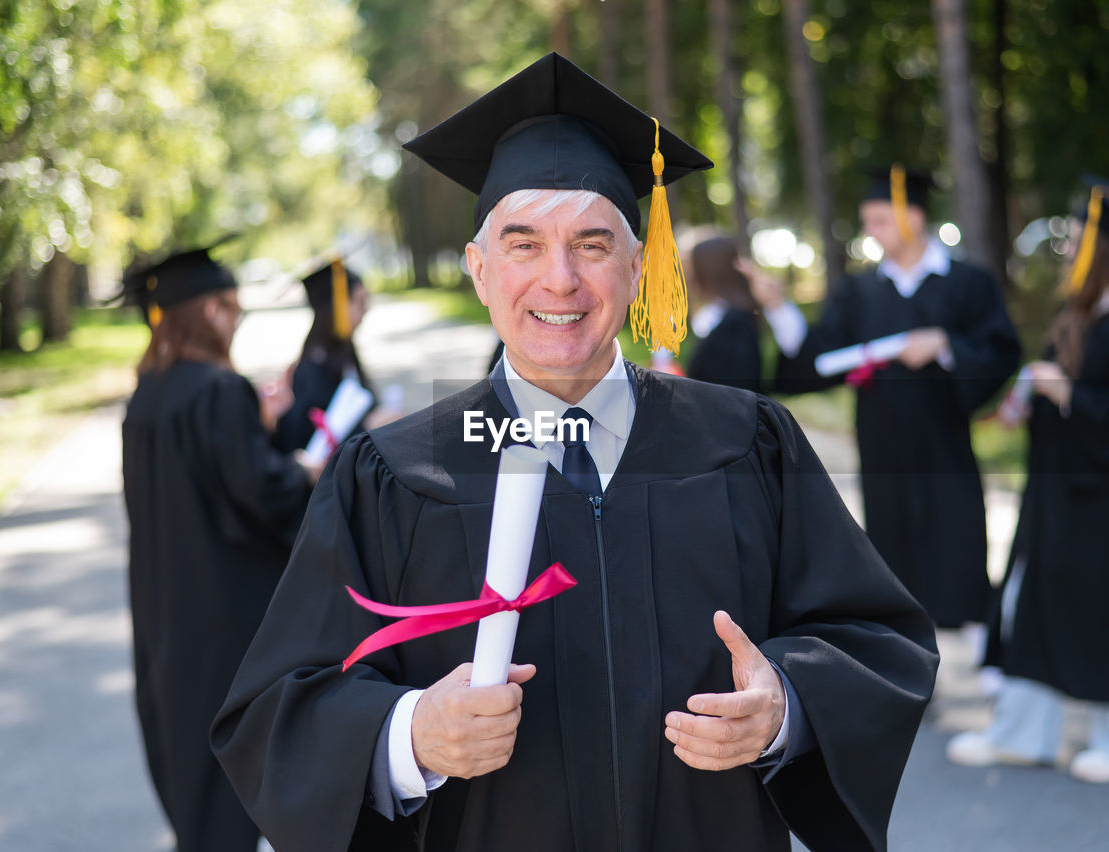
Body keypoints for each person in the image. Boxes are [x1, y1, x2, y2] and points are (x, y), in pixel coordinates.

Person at [212, 53, 937, 852]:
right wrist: (410, 734)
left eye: (593, 244)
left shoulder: (745, 442)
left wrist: (785, 707)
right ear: (479, 272)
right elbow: (275, 711)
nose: (560, 281)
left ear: (637, 267)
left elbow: (876, 639)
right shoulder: (392, 473)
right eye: (523, 244)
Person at [946, 177, 1109, 784]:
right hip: (1060, 492)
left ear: (1106, 252)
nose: (1067, 253)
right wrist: (1031, 401)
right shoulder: (1080, 316)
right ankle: (1024, 733)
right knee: (1032, 599)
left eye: (1076, 243)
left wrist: (1067, 391)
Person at [751, 166, 1021, 631]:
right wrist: (778, 307)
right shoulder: (862, 290)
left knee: (957, 537)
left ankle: (980, 643)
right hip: (882, 442)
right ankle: (906, 651)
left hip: (943, 439)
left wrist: (945, 346)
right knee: (890, 546)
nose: (869, 231)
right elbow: (820, 355)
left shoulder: (966, 281)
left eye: (878, 220)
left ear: (913, 217)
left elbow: (1000, 349)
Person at [121, 244, 318, 851]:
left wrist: (259, 425)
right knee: (237, 768)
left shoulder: (147, 393)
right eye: (230, 308)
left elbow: (200, 485)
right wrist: (306, 469)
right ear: (206, 311)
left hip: (165, 616)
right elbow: (262, 495)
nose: (236, 320)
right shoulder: (218, 390)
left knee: (191, 779)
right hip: (224, 619)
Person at [273, 259, 389, 453]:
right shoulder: (312, 368)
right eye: (360, 302)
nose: (366, 310)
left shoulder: (343, 352)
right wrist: (369, 426)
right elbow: (310, 443)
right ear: (338, 307)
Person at [682, 233, 763, 392]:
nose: (687, 274)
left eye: (691, 267)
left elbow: (738, 389)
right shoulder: (717, 317)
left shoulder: (735, 324)